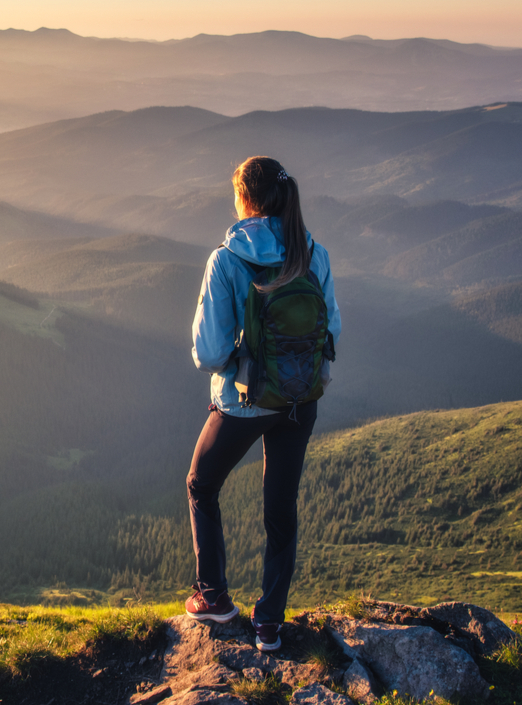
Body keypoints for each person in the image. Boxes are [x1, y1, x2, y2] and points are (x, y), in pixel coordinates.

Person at [185, 155, 340, 651]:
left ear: (245, 199)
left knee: (201, 484)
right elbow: (330, 329)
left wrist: (236, 361)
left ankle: (214, 598)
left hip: (244, 400)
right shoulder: (314, 253)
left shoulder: (227, 259)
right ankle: (269, 622)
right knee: (281, 509)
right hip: (300, 399)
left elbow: (209, 351)